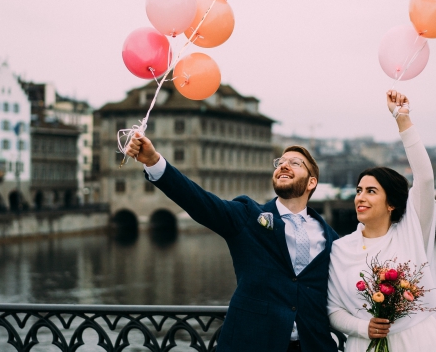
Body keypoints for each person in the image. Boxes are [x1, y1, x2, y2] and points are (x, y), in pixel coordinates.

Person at [125, 133, 339, 352]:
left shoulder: (333, 239)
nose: (283, 166)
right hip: (252, 344)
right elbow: (198, 201)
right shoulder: (247, 215)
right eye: (280, 162)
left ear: (312, 182)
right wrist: (153, 161)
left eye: (294, 163)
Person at [326, 90, 436, 352]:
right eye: (359, 190)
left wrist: (402, 119)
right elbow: (332, 309)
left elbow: (425, 179)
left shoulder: (411, 231)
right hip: (366, 345)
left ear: (391, 203)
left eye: (371, 191)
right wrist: (364, 328)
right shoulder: (340, 248)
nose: (361, 197)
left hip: (417, 343)